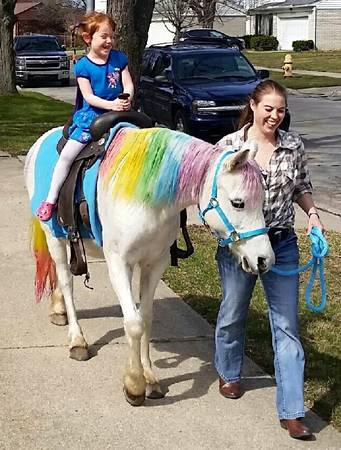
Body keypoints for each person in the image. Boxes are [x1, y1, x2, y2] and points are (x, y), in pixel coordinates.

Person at [215, 79, 323, 440]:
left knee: (287, 326)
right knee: (233, 312)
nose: (275, 116)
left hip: (281, 243)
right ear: (253, 105)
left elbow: (302, 187)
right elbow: (211, 197)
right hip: (239, 246)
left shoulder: (292, 146)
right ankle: (229, 372)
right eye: (268, 109)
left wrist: (314, 217)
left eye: (280, 110)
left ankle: (291, 412)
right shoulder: (230, 147)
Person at [36, 11, 134, 221]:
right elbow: (88, 97)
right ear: (88, 39)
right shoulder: (83, 66)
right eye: (104, 36)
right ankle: (51, 198)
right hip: (92, 118)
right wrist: (111, 104)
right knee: (67, 156)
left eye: (111, 36)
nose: (109, 41)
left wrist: (126, 98)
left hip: (120, 114)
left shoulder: (119, 59)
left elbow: (128, 83)